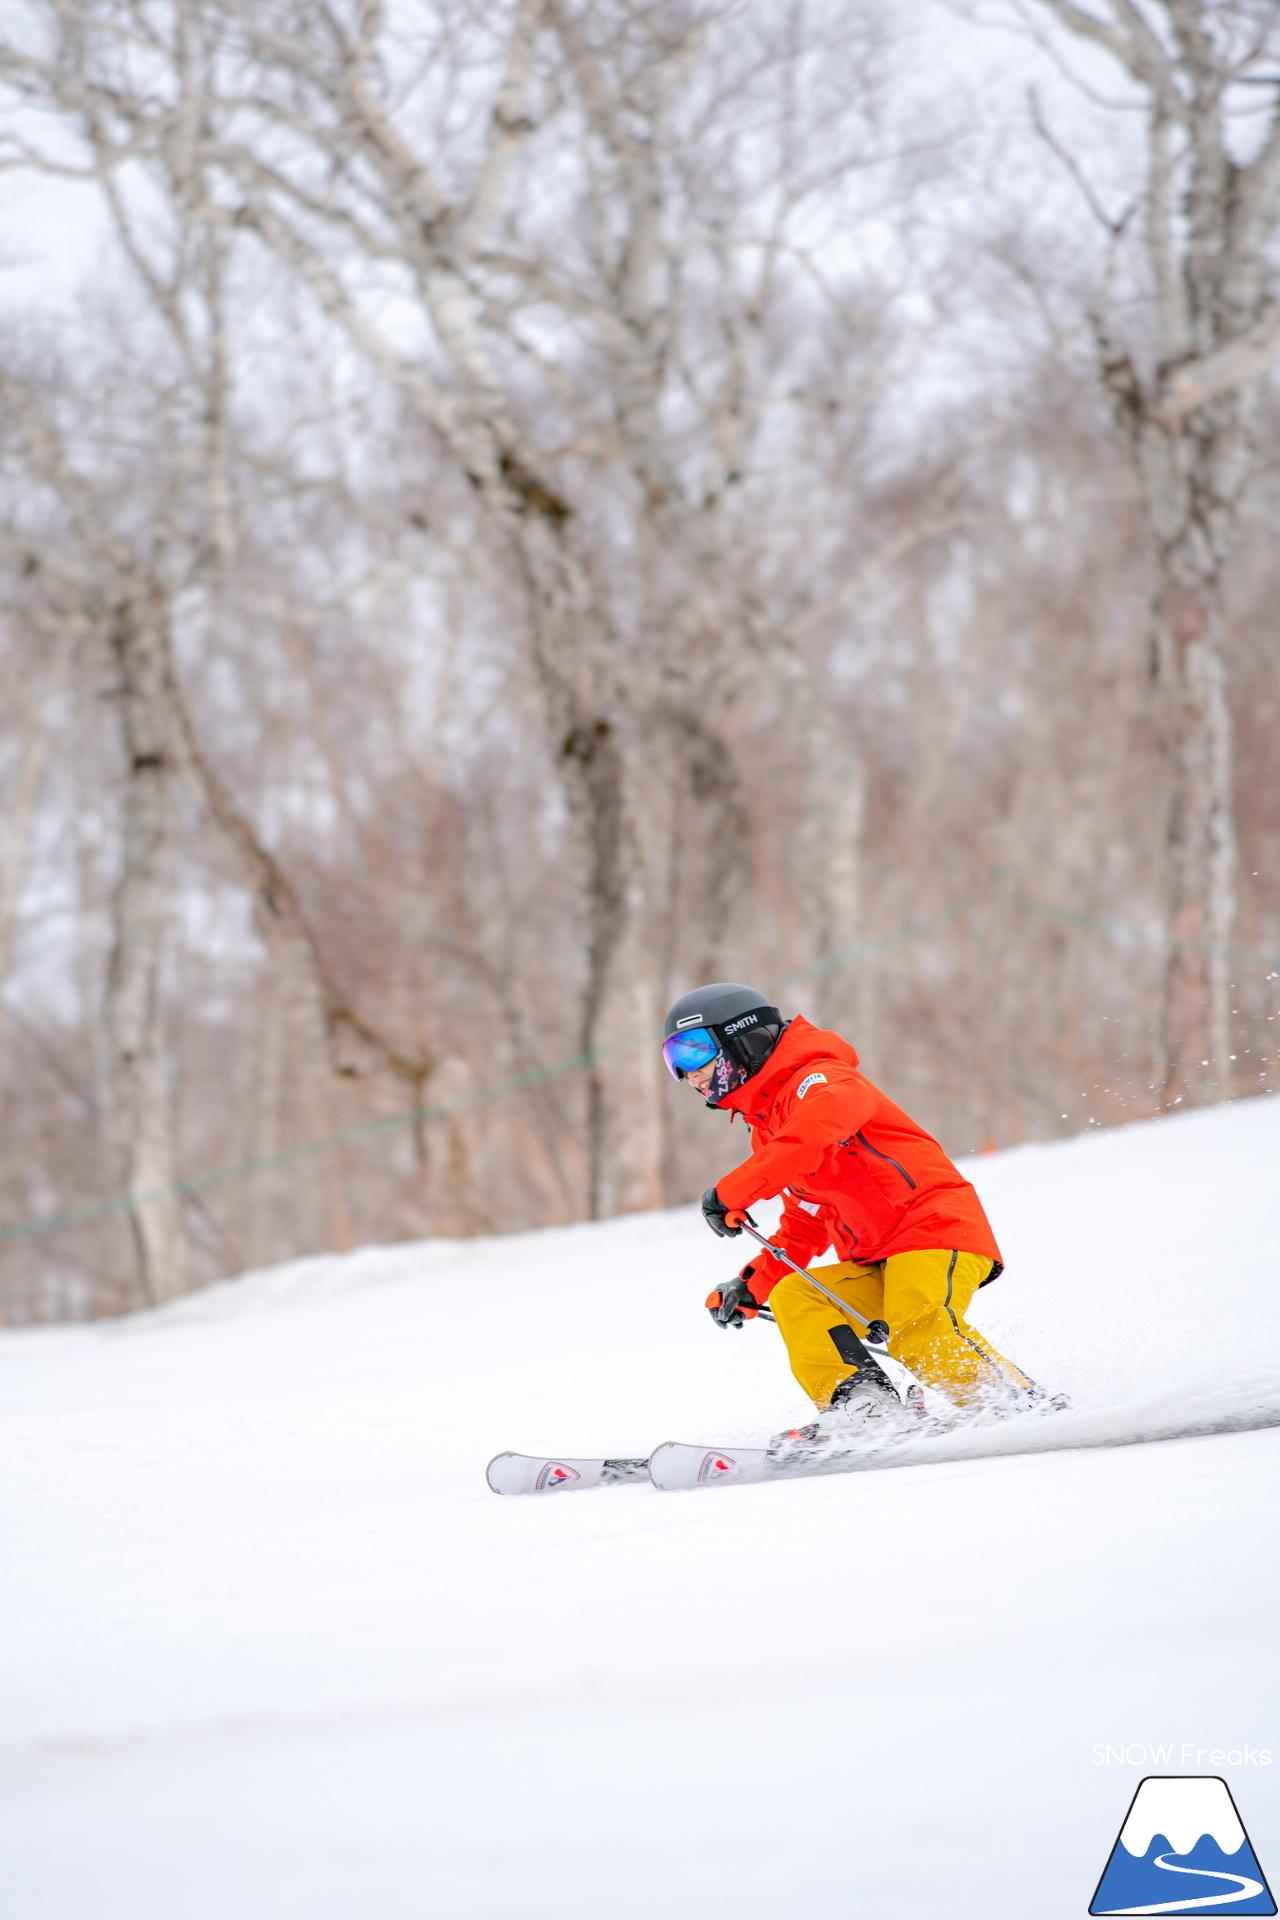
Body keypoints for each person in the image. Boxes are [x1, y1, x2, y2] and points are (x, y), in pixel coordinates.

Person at [662, 981, 1053, 1451]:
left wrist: (733, 1191)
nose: (689, 1074)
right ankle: (866, 1407)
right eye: (674, 1063)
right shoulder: (768, 1129)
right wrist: (754, 1285)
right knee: (797, 1296)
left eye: (695, 1051)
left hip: (932, 1229)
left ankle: (1014, 1406)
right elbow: (807, 1217)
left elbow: (817, 1131)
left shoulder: (822, 1079)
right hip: (876, 1258)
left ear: (744, 1038)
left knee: (917, 1324)